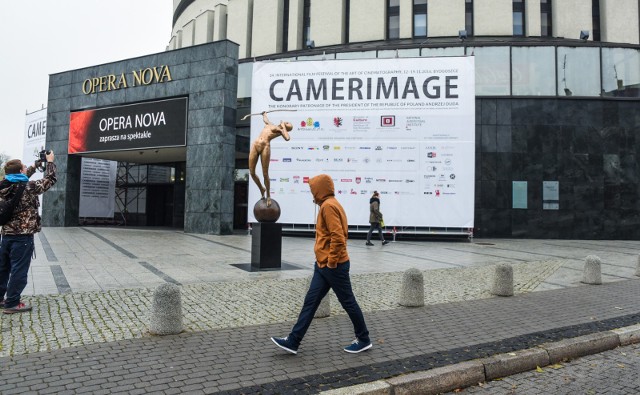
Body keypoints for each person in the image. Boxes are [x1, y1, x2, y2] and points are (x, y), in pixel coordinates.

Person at [271, 174, 372, 354]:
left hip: (333, 266)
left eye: (313, 190)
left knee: (348, 302)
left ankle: (364, 339)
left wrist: (331, 262)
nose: (312, 194)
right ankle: (293, 341)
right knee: (310, 302)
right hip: (323, 266)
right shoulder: (330, 203)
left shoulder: (328, 206)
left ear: (320, 190)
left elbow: (338, 237)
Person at [0, 151, 57, 314]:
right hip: (22, 236)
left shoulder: (3, 185)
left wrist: (35, 165)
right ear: (19, 172)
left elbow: (20, 178)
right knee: (19, 268)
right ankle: (12, 303)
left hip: (6, 235)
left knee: (3, 267)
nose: (26, 169)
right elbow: (50, 179)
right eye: (24, 167)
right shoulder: (29, 188)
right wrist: (50, 162)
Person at [248, 111, 293, 207]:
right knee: (251, 172)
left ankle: (268, 195)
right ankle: (261, 188)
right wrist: (264, 114)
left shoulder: (280, 131)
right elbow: (266, 120)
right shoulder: (270, 124)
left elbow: (287, 137)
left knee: (265, 173)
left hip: (265, 147)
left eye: (287, 124)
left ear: (286, 127)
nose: (286, 122)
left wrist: (283, 128)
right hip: (256, 144)